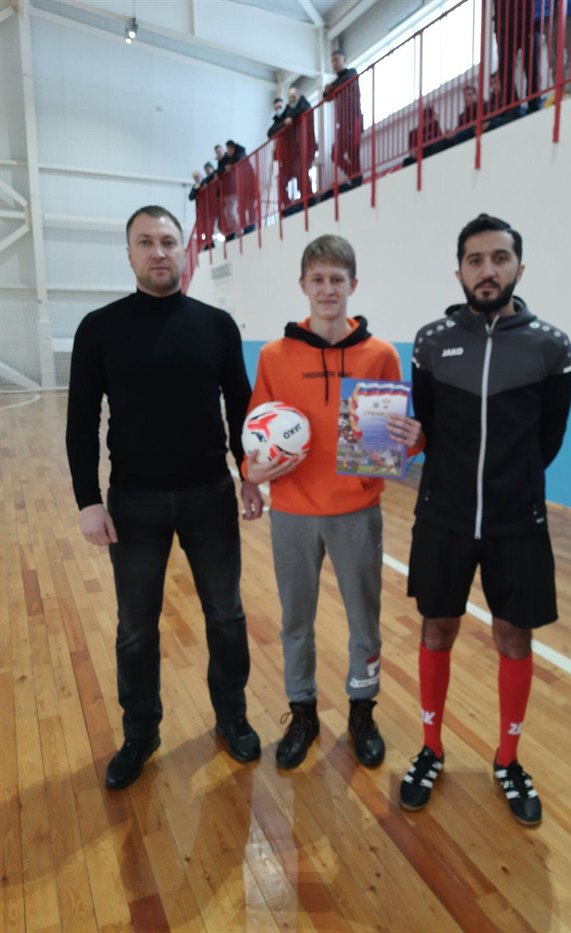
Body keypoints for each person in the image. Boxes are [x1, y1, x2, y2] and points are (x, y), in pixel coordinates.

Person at [66, 205, 264, 790]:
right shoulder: (98, 328)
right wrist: (88, 499)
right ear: (129, 254)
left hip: (210, 495)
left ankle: (231, 716)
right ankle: (140, 732)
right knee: (135, 628)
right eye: (146, 242)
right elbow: (80, 422)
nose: (158, 252)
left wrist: (249, 473)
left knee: (226, 615)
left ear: (185, 250)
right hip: (133, 502)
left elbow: (241, 406)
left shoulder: (217, 325)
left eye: (168, 241)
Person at [399, 213, 571, 825]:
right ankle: (431, 748)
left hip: (515, 521)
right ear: (460, 272)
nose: (487, 270)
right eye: (475, 260)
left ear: (519, 268)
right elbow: (427, 427)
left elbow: (548, 439)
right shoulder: (430, 341)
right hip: (442, 516)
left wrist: (509, 485)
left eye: (499, 258)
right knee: (436, 629)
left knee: (513, 637)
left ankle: (508, 758)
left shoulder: (551, 346)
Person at [244, 235, 421, 771]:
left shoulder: (380, 354)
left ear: (353, 285)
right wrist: (252, 472)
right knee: (295, 620)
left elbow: (393, 440)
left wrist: (413, 440)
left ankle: (362, 709)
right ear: (303, 285)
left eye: (336, 280)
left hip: (356, 512)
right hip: (292, 512)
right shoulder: (275, 356)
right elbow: (256, 432)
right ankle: (302, 712)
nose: (327, 289)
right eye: (317, 279)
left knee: (365, 620)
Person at [323, 50, 363, 187]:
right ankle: (355, 177)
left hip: (354, 120)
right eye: (332, 61)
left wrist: (331, 89)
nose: (334, 63)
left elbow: (344, 82)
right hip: (342, 123)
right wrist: (329, 90)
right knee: (336, 153)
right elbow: (326, 97)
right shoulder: (336, 82)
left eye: (336, 59)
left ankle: (357, 181)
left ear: (344, 60)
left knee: (353, 154)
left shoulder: (352, 73)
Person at [284, 86, 317, 201]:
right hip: (295, 149)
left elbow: (304, 109)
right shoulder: (289, 109)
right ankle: (304, 198)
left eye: (293, 96)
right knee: (298, 174)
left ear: (299, 96)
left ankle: (309, 198)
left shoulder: (304, 104)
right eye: (290, 97)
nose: (292, 99)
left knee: (302, 172)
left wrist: (291, 117)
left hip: (307, 146)